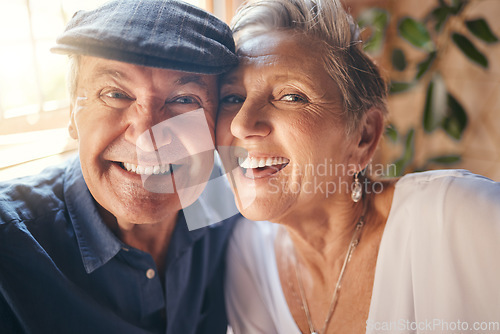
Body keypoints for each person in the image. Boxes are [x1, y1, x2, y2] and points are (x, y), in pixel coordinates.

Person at [216, 0, 500, 333]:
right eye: (232, 98)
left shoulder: (459, 218)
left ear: (363, 137)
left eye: (291, 96)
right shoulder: (247, 253)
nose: (240, 124)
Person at [0, 0, 239, 333]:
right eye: (114, 93)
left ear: (217, 126)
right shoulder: (10, 247)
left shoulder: (233, 212)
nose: (146, 137)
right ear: (73, 114)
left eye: (184, 99)